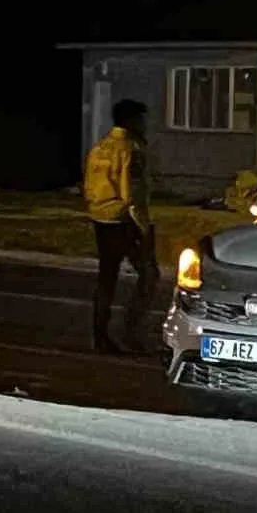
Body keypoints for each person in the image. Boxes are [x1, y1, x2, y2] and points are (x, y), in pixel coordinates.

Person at [83, 98, 160, 353]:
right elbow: (133, 196)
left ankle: (100, 334)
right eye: (140, 119)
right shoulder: (130, 150)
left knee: (107, 277)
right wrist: (145, 229)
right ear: (130, 121)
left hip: (100, 218)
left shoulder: (100, 147)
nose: (144, 125)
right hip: (123, 221)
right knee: (148, 275)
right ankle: (131, 332)